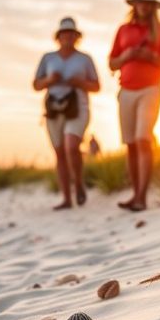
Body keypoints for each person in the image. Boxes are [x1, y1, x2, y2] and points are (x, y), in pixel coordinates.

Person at [108, 0, 160, 212]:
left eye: (148, 3)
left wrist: (153, 57)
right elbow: (112, 63)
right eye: (141, 3)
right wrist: (126, 56)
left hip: (151, 89)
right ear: (135, 4)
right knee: (130, 144)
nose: (144, 7)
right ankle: (135, 193)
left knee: (142, 139)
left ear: (154, 6)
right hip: (126, 90)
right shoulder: (123, 29)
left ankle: (142, 197)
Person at [33, 17, 100, 210]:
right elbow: (36, 84)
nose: (68, 37)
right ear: (59, 36)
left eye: (71, 34)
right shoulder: (48, 58)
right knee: (60, 152)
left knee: (72, 146)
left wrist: (79, 82)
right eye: (64, 34)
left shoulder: (84, 59)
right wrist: (49, 80)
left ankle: (78, 182)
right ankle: (66, 198)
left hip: (77, 106)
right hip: (54, 108)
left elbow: (96, 85)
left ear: (76, 36)